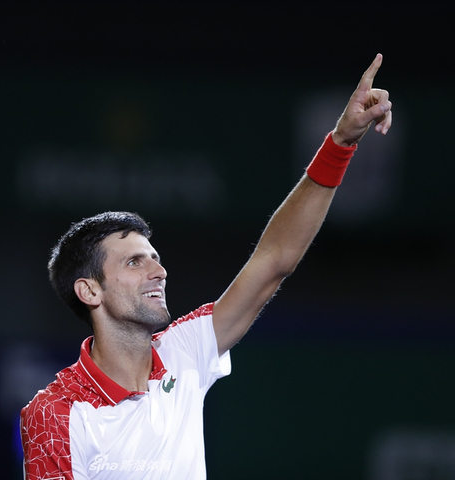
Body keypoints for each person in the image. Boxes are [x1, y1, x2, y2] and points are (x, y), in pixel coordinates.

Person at [20, 54, 392, 479]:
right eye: (135, 261)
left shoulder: (183, 350)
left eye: (156, 259)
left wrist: (340, 143)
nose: (158, 272)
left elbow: (273, 260)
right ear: (90, 291)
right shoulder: (55, 412)